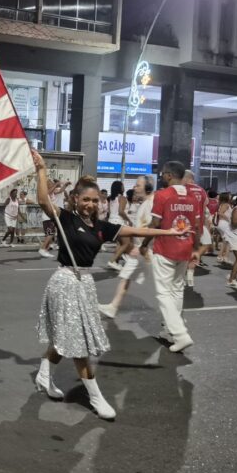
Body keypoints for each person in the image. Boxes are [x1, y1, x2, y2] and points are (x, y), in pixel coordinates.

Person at [31, 151, 182, 420]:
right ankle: (95, 396)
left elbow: (137, 231)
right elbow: (43, 200)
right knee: (78, 342)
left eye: (95, 200)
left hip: (85, 284)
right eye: (85, 199)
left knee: (69, 336)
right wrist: (41, 169)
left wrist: (168, 232)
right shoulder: (66, 219)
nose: (90, 204)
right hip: (65, 282)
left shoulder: (101, 227)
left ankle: (44, 372)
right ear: (75, 199)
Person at [140, 161, 203, 353]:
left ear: (169, 175)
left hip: (165, 248)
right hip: (185, 248)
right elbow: (197, 226)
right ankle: (169, 331)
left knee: (163, 293)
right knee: (176, 290)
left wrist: (144, 243)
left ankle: (180, 334)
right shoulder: (192, 197)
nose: (161, 177)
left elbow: (156, 223)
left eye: (162, 174)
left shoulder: (163, 195)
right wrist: (196, 249)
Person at [98, 175, 155, 319]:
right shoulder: (145, 203)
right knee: (125, 276)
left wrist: (143, 246)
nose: (134, 188)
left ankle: (174, 316)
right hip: (141, 249)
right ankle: (113, 307)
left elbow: (152, 228)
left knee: (161, 287)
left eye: (138, 185)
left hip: (148, 251)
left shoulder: (151, 204)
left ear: (147, 188)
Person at [182, 171, 211, 287]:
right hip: (198, 225)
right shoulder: (202, 191)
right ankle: (190, 274)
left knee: (184, 250)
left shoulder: (182, 189)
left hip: (184, 225)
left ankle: (182, 275)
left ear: (185, 178)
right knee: (202, 245)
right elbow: (204, 209)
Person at [107, 180, 132, 271]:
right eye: (122, 186)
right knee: (126, 243)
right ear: (120, 187)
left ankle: (116, 262)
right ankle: (113, 261)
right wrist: (129, 220)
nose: (124, 187)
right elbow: (121, 211)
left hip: (111, 221)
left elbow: (109, 211)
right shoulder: (122, 198)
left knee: (120, 243)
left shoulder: (111, 198)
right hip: (119, 222)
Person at [215, 192, 233, 264]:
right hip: (224, 223)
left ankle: (222, 256)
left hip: (222, 223)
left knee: (225, 240)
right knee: (228, 240)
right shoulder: (226, 204)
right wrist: (228, 218)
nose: (230, 196)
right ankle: (224, 257)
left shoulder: (222, 204)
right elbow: (220, 213)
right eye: (229, 195)